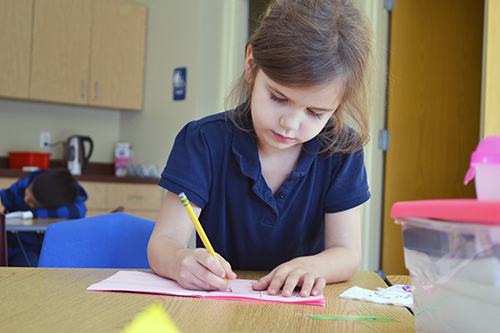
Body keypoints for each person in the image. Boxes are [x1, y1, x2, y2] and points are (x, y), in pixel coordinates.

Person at [148, 0, 375, 297]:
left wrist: (316, 267)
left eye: (316, 113)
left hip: (304, 314)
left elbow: (346, 252)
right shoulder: (202, 141)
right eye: (279, 98)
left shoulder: (342, 151)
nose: (290, 124)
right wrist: (180, 260)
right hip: (219, 309)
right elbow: (162, 242)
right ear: (251, 65)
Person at [0, 168, 88, 265]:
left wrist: (30, 213)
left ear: (48, 207)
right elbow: (3, 197)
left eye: (32, 203)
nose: (26, 199)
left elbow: (78, 212)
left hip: (40, 249)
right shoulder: (27, 182)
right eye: (28, 190)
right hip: (12, 244)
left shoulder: (70, 199)